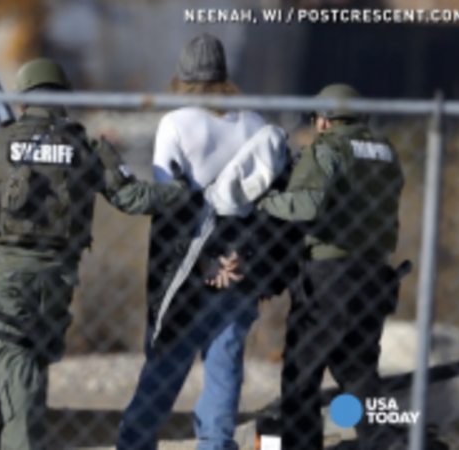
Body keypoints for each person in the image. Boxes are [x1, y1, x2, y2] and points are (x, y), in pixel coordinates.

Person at [0, 58, 192, 450]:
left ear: (22, 102)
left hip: (4, 278)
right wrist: (184, 190)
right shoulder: (84, 147)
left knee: (16, 370)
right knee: (32, 371)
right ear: (63, 100)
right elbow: (133, 198)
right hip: (56, 281)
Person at [117, 33, 273, 450]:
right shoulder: (255, 124)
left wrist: (204, 262)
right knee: (225, 367)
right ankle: (216, 444)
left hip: (184, 269)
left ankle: (135, 443)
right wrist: (238, 257)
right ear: (224, 74)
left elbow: (171, 204)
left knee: (165, 365)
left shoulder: (176, 123)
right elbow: (267, 206)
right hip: (241, 267)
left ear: (182, 76)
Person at [257, 83, 405, 450]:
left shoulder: (326, 149)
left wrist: (266, 200)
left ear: (324, 121)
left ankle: (301, 445)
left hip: (329, 274)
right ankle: (387, 442)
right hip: (375, 274)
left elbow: (306, 206)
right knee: (358, 370)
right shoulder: (386, 151)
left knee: (302, 371)